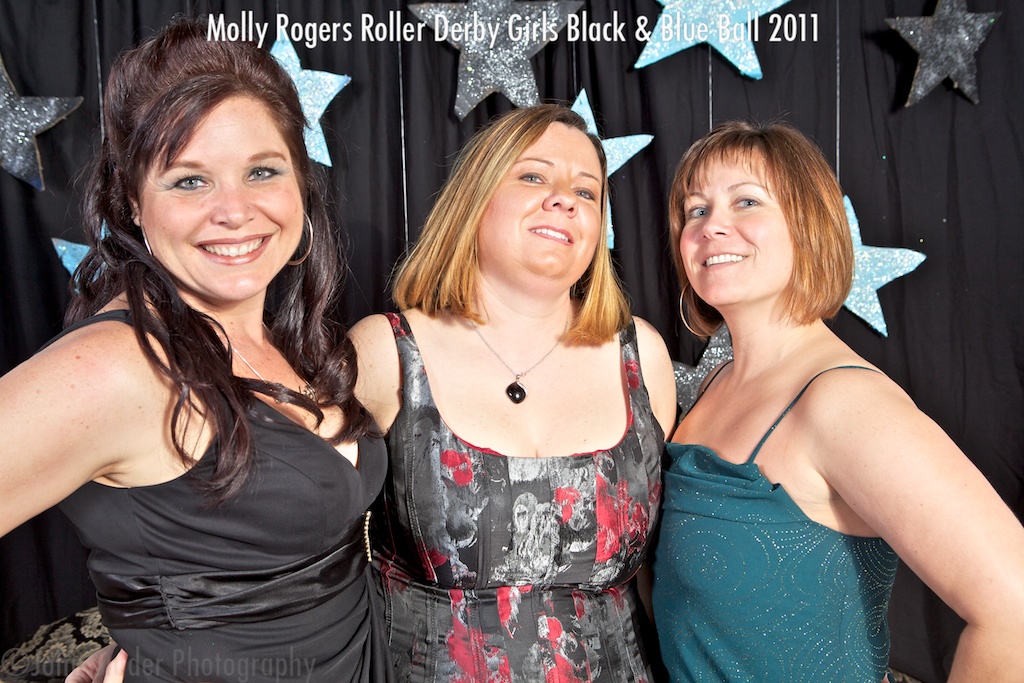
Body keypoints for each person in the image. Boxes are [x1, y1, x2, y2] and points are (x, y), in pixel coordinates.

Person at [0, 18, 390, 683]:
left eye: (261, 171)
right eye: (189, 181)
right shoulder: (116, 368)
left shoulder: (287, 341)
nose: (234, 211)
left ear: (300, 182)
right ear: (132, 201)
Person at [654, 120, 1024, 682]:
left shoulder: (844, 402)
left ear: (808, 227)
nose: (712, 227)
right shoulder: (716, 383)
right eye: (696, 210)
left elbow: (1013, 609)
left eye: (746, 201)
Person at [350, 104, 678, 682]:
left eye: (586, 191)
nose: (564, 200)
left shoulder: (641, 355)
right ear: (474, 199)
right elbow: (304, 550)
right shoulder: (386, 352)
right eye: (533, 176)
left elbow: (665, 575)